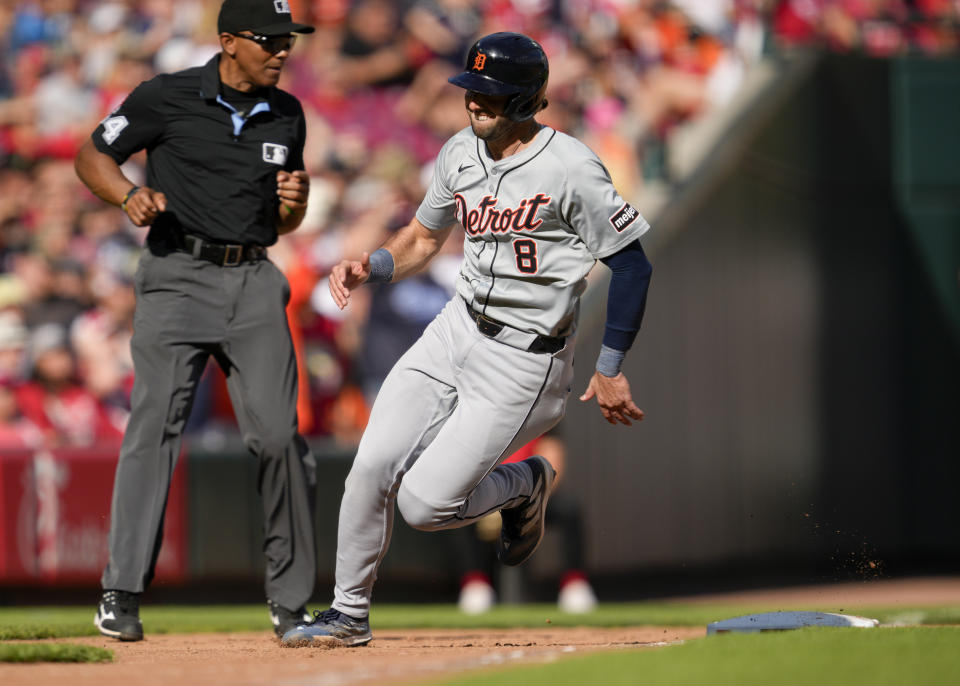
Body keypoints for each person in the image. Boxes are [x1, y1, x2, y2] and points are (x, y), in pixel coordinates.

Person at [283, 32, 652, 648]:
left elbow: (634, 263)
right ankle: (347, 614)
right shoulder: (459, 151)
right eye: (471, 89)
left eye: (489, 92)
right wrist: (370, 265)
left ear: (525, 99)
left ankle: (526, 482)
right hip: (455, 328)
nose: (474, 102)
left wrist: (610, 365)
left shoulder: (571, 167)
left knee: (424, 507)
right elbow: (424, 238)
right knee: (371, 466)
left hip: (524, 358)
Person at [74, 0, 318, 642]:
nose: (282, 49)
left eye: (287, 38)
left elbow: (282, 219)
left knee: (277, 437)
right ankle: (120, 592)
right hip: (176, 275)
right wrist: (127, 193)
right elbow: (92, 154)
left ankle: (291, 604)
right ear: (229, 41)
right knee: (154, 427)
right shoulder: (167, 96)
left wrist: (296, 206)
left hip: (254, 279)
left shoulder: (288, 113)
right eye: (269, 38)